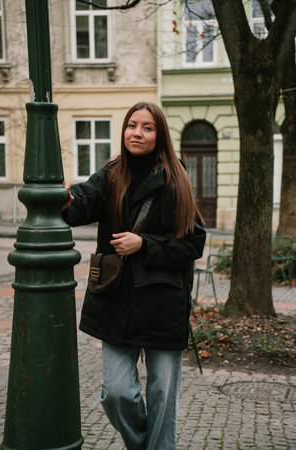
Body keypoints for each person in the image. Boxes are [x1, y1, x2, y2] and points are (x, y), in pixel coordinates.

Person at [62, 102, 206, 450]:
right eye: (131, 125)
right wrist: (62, 195)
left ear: (159, 136)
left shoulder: (176, 179)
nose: (137, 133)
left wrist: (144, 244)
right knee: (115, 392)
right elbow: (82, 203)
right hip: (115, 299)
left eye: (147, 127)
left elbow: (192, 243)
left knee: (161, 393)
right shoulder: (112, 173)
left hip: (162, 302)